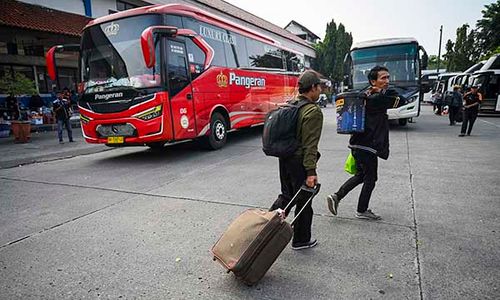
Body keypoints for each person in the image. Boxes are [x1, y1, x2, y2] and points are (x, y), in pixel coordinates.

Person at [326, 65, 400, 220]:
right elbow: (400, 100)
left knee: (361, 176)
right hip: (369, 146)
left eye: (388, 77)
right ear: (373, 81)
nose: (387, 80)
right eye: (383, 78)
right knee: (371, 178)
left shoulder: (363, 95)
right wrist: (381, 92)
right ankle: (361, 210)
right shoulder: (378, 98)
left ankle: (336, 196)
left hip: (357, 144)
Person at [269, 70, 324, 250]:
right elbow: (310, 145)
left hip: (284, 158)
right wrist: (311, 172)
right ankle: (301, 240)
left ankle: (263, 227)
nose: (321, 90)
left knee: (286, 196)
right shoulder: (312, 111)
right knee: (304, 200)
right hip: (299, 162)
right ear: (313, 88)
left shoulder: (291, 104)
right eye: (319, 87)